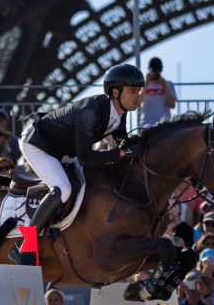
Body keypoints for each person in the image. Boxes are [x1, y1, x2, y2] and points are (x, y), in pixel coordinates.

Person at [9, 64, 145, 266]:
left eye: (139, 91)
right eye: (133, 91)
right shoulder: (90, 112)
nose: (138, 96)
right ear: (115, 92)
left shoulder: (119, 113)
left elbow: (121, 143)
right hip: (38, 143)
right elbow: (87, 158)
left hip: (64, 150)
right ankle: (24, 246)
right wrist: (122, 153)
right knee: (63, 189)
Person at [139, 57, 177, 127]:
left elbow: (172, 105)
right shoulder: (144, 85)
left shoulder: (168, 84)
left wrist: (164, 86)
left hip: (165, 123)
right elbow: (138, 103)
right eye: (153, 71)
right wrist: (146, 85)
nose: (155, 74)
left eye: (157, 72)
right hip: (147, 123)